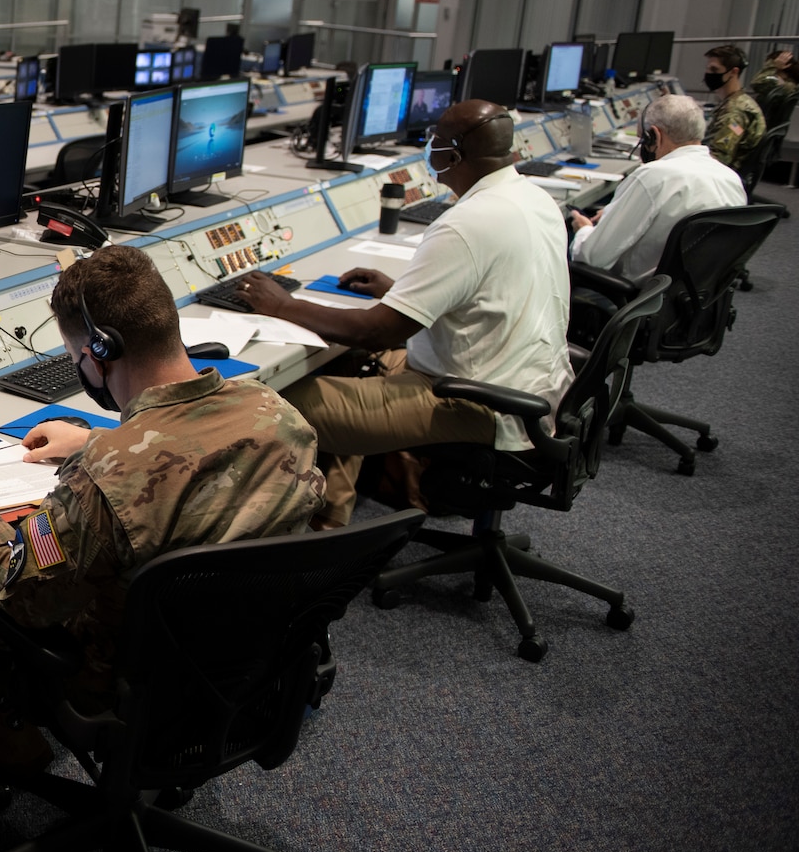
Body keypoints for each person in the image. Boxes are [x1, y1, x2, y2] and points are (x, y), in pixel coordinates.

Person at [0, 245, 324, 775]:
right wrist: (99, 438)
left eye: (77, 358)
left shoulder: (107, 475)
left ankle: (7, 735)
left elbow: (19, 593)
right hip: (250, 663)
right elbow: (188, 451)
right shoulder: (277, 414)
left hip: (122, 683)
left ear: (98, 353)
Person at [232, 100, 572, 529]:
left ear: (453, 155)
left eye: (436, 142)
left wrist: (281, 305)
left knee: (275, 401)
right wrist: (401, 292)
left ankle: (305, 539)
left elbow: (376, 332)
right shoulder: (533, 198)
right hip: (528, 387)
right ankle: (330, 519)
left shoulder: (466, 222)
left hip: (475, 401)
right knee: (354, 367)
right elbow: (490, 293)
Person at [569, 94, 745, 281]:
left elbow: (591, 257)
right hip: (697, 296)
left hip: (638, 297)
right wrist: (619, 211)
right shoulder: (731, 178)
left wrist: (583, 229)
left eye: (642, 140)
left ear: (654, 135)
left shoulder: (653, 176)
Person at [701, 44, 764, 172]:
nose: (708, 74)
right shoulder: (740, 100)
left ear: (733, 72)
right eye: (708, 69)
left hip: (720, 177)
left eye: (714, 70)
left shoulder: (734, 113)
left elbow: (717, 159)